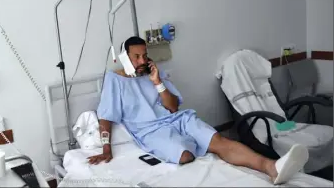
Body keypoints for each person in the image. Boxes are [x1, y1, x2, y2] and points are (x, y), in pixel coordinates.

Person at [87, 36, 309, 185]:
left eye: (145, 55)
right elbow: (106, 117)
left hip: (177, 119)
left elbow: (173, 106)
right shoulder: (114, 80)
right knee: (185, 156)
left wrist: (157, 81)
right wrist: (106, 147)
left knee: (220, 140)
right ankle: (201, 148)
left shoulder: (153, 73)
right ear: (125, 57)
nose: (142, 60)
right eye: (136, 57)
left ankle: (272, 167)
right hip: (150, 131)